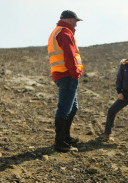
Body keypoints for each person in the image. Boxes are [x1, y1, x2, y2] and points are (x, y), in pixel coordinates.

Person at [47, 10, 84, 152]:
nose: (76, 23)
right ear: (69, 20)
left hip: (61, 74)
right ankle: (60, 142)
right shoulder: (65, 32)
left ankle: (66, 137)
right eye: (75, 20)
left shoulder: (57, 31)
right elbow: (69, 55)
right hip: (67, 74)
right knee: (64, 109)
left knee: (73, 108)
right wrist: (75, 73)